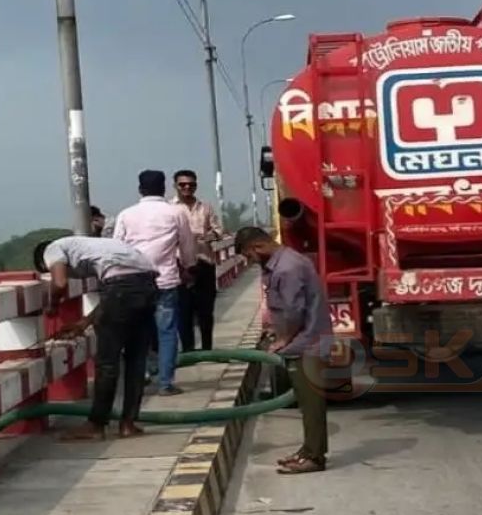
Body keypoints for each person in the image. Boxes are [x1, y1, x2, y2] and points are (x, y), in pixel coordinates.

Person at [34, 235, 157, 440]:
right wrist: (84, 323)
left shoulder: (52, 248)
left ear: (42, 262)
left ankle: (96, 425)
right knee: (136, 359)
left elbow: (60, 283)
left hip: (122, 286)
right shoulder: (96, 247)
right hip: (148, 283)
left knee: (108, 362)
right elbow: (115, 297)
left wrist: (52, 304)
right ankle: (128, 424)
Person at [235, 226, 330, 475]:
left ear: (257, 247)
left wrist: (282, 339)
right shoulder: (285, 261)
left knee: (311, 404)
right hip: (304, 340)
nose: (250, 261)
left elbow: (292, 311)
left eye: (248, 256)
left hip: (307, 342)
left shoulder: (287, 268)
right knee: (305, 400)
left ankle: (315, 457)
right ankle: (307, 451)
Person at [113, 170, 197, 396]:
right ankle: (166, 382)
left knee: (137, 331)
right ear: (164, 189)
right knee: (167, 332)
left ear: (140, 190)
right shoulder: (176, 212)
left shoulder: (126, 215)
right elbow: (188, 249)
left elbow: (117, 249)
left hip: (134, 281)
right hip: (165, 280)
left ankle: (142, 375)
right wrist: (189, 269)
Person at [171, 170, 223, 351]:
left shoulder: (205, 207)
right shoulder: (170, 209)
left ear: (196, 186)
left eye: (191, 184)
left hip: (204, 262)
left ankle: (207, 348)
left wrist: (210, 236)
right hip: (181, 266)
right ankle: (188, 350)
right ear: (175, 186)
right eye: (182, 184)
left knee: (206, 310)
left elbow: (218, 231)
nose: (187, 187)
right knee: (183, 310)